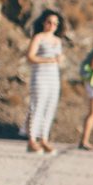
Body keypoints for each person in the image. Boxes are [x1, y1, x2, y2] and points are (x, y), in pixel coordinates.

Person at [24, 9, 65, 154]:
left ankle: (44, 139)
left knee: (50, 106)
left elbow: (59, 59)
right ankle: (32, 140)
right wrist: (50, 60)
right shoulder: (38, 38)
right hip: (40, 76)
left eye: (55, 23)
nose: (52, 25)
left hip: (53, 77)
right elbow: (30, 56)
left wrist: (58, 60)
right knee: (37, 105)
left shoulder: (58, 41)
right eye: (49, 22)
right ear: (44, 23)